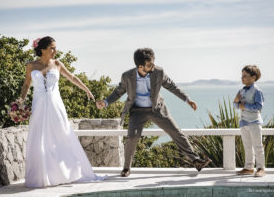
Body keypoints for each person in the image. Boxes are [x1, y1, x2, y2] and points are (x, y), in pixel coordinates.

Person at [96, 48, 211, 177]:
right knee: (132, 137)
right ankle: (126, 168)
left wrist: (187, 99)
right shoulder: (127, 76)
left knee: (175, 131)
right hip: (137, 111)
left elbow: (171, 86)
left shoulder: (158, 72)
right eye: (150, 64)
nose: (153, 66)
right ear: (140, 66)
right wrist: (105, 102)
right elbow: (118, 92)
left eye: (153, 63)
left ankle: (195, 161)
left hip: (157, 109)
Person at [19, 36, 107, 187]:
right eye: (52, 48)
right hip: (38, 105)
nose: (55, 51)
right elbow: (26, 85)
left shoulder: (58, 64)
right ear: (42, 50)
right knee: (40, 138)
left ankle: (65, 173)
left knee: (62, 136)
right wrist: (20, 102)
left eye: (55, 47)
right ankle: (42, 176)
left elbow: (72, 77)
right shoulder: (31, 66)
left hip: (55, 105)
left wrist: (86, 89)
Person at [234, 65, 265, 177]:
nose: (242, 78)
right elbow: (236, 106)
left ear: (253, 77)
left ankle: (261, 168)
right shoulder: (241, 91)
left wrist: (244, 106)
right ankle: (249, 167)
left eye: (245, 76)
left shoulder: (257, 91)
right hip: (244, 122)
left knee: (258, 146)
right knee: (247, 146)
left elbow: (259, 106)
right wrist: (236, 101)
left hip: (254, 122)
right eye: (242, 76)